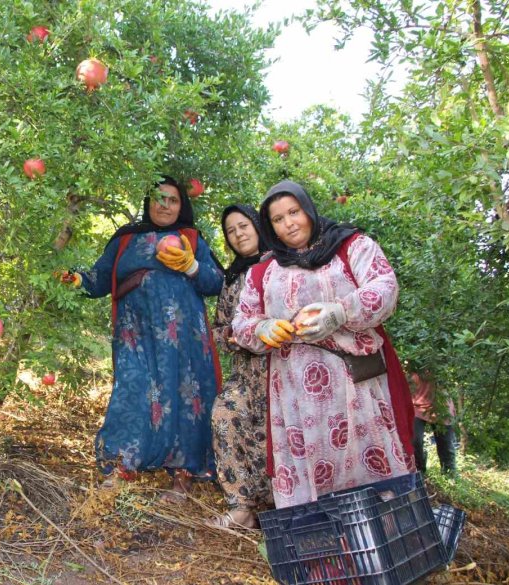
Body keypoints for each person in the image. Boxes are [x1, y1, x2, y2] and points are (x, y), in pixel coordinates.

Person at [233, 180, 415, 508]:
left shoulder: (351, 246)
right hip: (293, 396)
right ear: (269, 227)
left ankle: (379, 549)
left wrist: (341, 311)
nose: (289, 223)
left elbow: (385, 286)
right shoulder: (263, 272)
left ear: (308, 209)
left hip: (355, 389)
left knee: (365, 467)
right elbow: (242, 323)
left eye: (294, 212)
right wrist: (263, 328)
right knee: (311, 472)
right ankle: (324, 556)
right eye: (277, 219)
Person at [60, 176, 223, 501]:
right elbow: (100, 278)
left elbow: (216, 281)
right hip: (136, 336)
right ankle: (119, 469)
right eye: (159, 198)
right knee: (132, 394)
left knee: (185, 401)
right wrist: (76, 277)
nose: (165, 205)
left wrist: (191, 266)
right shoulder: (125, 239)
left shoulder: (191, 238)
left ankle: (182, 478)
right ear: (147, 202)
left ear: (182, 206)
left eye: (173, 200)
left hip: (185, 341)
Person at [209, 204, 272, 528]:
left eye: (243, 226)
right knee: (225, 416)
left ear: (258, 226)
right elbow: (219, 326)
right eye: (231, 231)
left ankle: (278, 509)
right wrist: (231, 337)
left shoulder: (280, 264)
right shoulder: (231, 277)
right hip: (245, 372)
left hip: (279, 371)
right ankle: (242, 506)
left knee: (273, 435)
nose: (239, 234)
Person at [410, 369, 457, 476]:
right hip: (416, 405)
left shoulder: (439, 358)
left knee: (445, 444)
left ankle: (450, 476)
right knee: (414, 440)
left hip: (441, 406)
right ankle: (419, 472)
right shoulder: (410, 360)